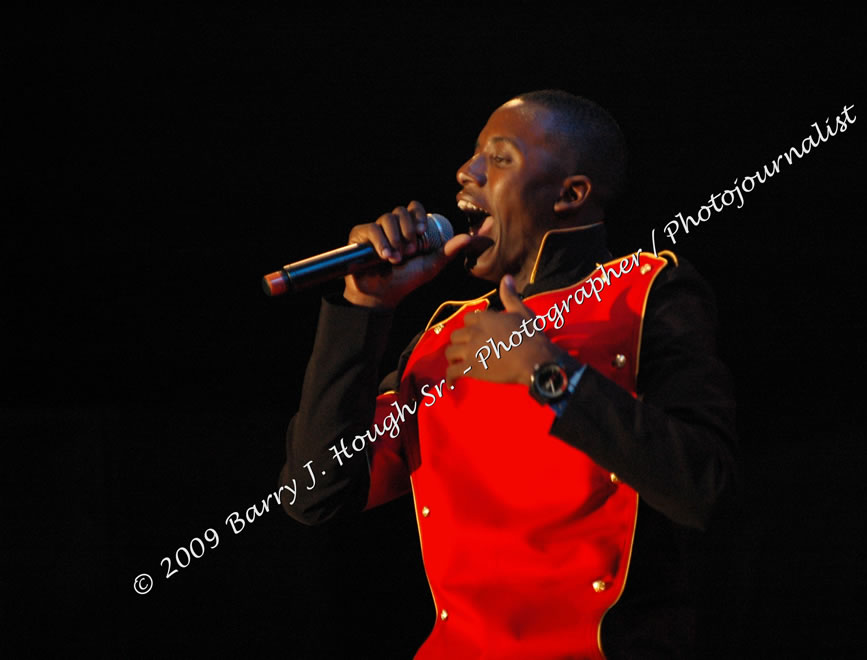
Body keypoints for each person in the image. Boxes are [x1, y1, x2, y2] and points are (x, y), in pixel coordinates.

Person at [279, 90, 737, 658]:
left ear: (570, 194)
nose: (465, 172)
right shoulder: (445, 337)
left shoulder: (643, 294)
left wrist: (548, 374)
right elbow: (314, 496)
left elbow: (707, 490)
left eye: (498, 158)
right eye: (474, 155)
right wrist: (362, 311)